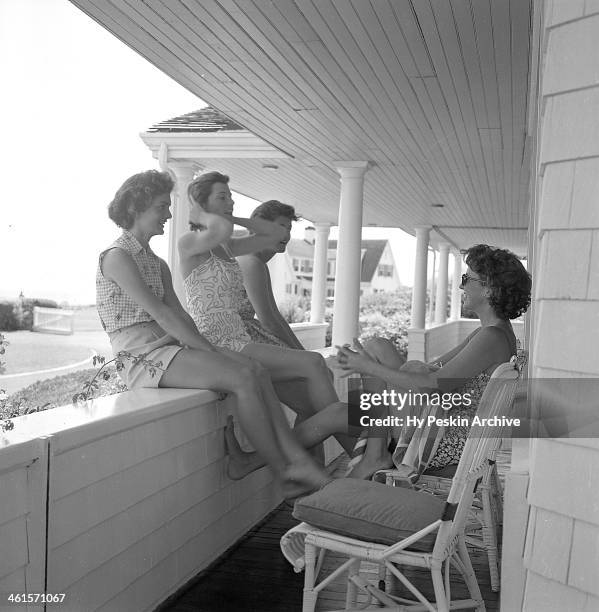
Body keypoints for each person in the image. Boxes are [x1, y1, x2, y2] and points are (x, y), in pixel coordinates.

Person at [95, 169, 332, 499]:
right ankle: (288, 469)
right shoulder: (117, 256)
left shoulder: (156, 262)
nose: (168, 213)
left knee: (255, 371)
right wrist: (211, 351)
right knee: (244, 377)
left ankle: (293, 462)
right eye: (162, 206)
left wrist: (210, 349)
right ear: (138, 207)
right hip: (140, 355)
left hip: (168, 347)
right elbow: (162, 315)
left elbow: (179, 314)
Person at [224, 244, 531, 480]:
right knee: (375, 350)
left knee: (341, 407)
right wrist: (391, 368)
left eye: (468, 279)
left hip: (441, 442)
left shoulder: (490, 338)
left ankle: (369, 455)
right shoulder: (493, 334)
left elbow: (432, 386)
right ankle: (372, 452)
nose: (462, 286)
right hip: (438, 424)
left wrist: (369, 368)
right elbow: (433, 369)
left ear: (489, 288)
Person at [178, 172, 355, 455]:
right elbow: (269, 318)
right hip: (220, 340)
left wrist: (226, 214)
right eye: (222, 197)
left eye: (232, 197)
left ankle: (320, 481)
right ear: (200, 203)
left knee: (313, 405)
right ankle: (360, 455)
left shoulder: (228, 246)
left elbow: (272, 235)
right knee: (314, 370)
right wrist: (203, 213)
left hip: (241, 337)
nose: (231, 202)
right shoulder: (190, 242)